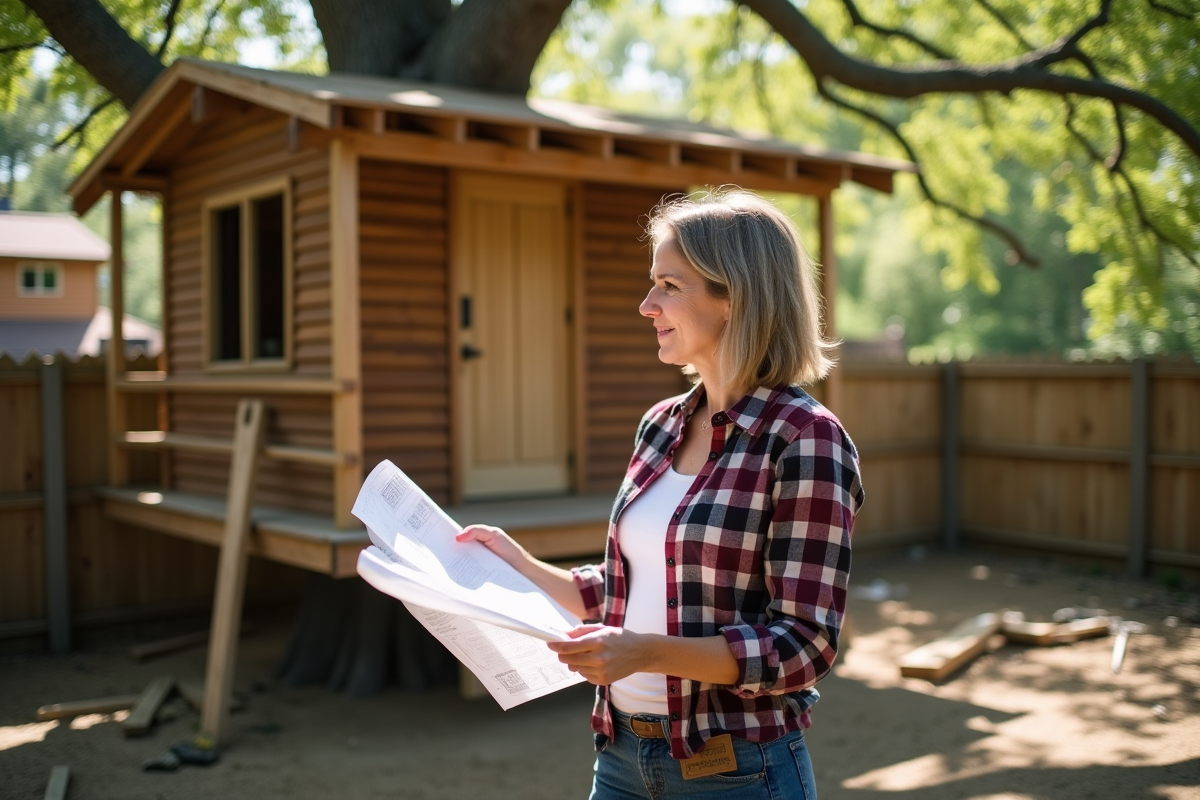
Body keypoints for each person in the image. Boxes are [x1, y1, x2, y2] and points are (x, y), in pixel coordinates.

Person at [457, 189, 864, 799]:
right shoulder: (661, 424)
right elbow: (628, 587)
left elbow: (803, 645)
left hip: (737, 770)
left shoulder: (807, 440)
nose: (647, 305)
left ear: (735, 297)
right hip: (619, 755)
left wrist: (644, 653)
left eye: (669, 286)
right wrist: (521, 565)